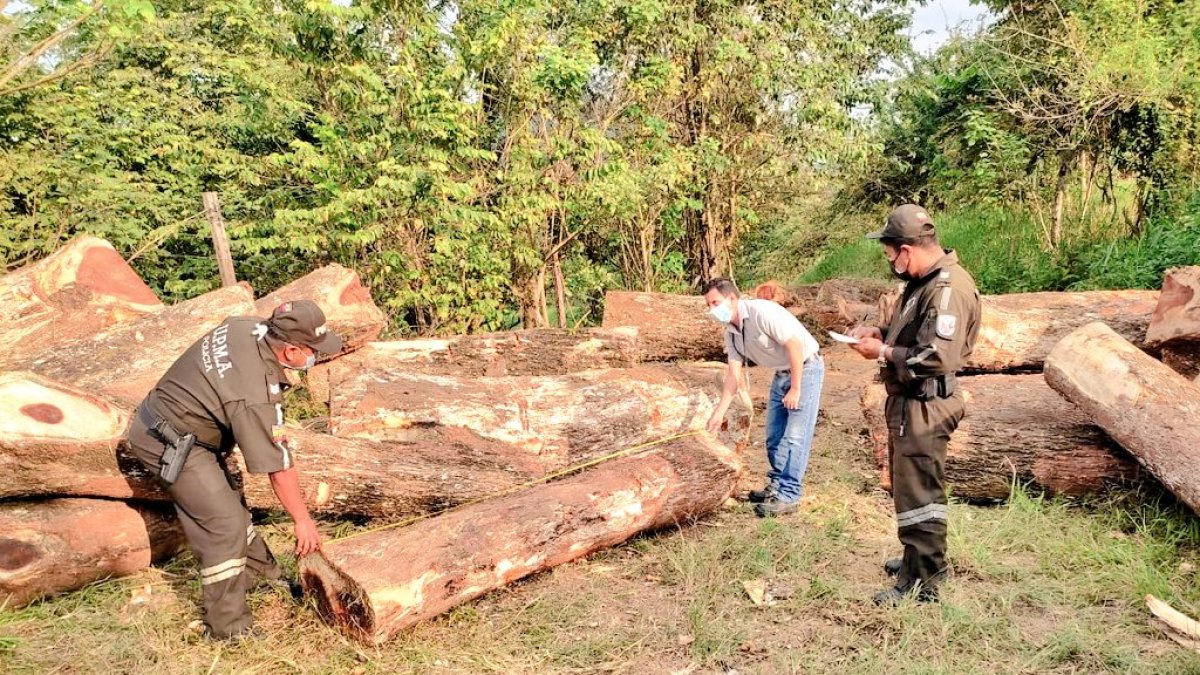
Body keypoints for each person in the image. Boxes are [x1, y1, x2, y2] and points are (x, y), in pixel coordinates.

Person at [125, 300, 342, 639]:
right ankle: (229, 627)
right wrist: (302, 520)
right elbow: (277, 465)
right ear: (289, 350)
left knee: (230, 504)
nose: (316, 358)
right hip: (166, 439)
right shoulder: (254, 394)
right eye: (312, 351)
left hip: (182, 427)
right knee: (223, 524)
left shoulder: (248, 326)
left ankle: (262, 576)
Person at [848, 204, 981, 605]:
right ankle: (916, 558)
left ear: (907, 250)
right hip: (911, 403)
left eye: (889, 255)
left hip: (927, 404)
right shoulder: (923, 282)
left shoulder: (947, 289)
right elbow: (913, 330)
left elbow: (934, 356)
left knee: (920, 494)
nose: (889, 262)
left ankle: (922, 582)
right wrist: (881, 330)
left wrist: (883, 351)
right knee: (910, 491)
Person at [703, 278, 824, 517]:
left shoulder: (762, 312)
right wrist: (718, 413)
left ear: (732, 298)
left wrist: (796, 388)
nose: (712, 309)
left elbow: (794, 345)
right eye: (708, 305)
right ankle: (777, 484)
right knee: (773, 435)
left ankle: (789, 495)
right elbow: (733, 377)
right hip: (781, 372)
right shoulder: (732, 331)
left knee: (795, 437)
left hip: (806, 368)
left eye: (715, 302)